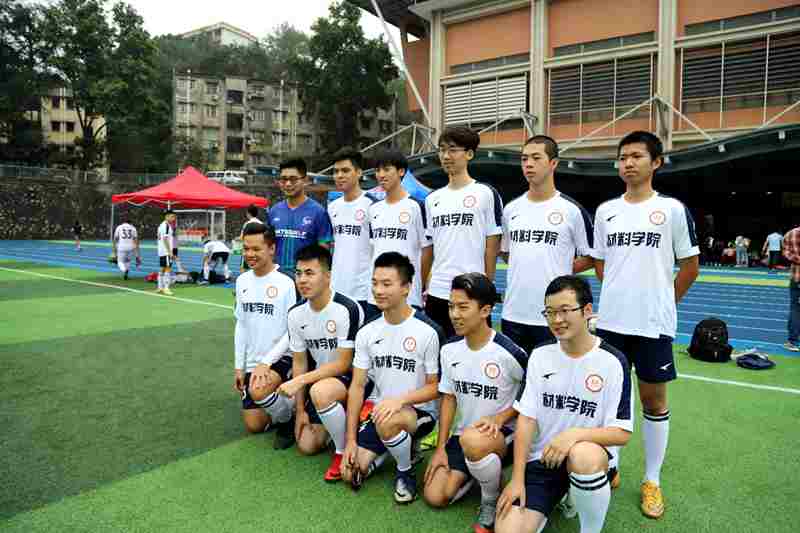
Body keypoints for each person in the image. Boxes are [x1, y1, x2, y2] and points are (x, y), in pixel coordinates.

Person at [591, 131, 699, 519]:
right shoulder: (606, 211)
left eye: (636, 156)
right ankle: (611, 465)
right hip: (612, 323)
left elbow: (690, 267)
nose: (628, 163)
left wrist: (662, 302)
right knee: (610, 400)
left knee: (653, 401)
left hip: (653, 325)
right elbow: (601, 264)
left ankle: (652, 480)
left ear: (656, 162)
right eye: (622, 157)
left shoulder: (671, 209)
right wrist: (621, 295)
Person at [496, 275, 633, 533]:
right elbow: (526, 418)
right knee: (508, 529)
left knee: (583, 456)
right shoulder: (539, 355)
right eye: (550, 312)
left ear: (587, 311)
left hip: (588, 457)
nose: (556, 320)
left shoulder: (613, 362)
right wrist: (517, 479)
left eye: (565, 310)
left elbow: (621, 433)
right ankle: (561, 495)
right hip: (544, 458)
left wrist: (573, 436)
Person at [423, 272, 527, 533]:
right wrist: (441, 447)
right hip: (465, 436)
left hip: (503, 436)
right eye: (451, 306)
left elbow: (531, 395)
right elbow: (448, 397)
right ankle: (478, 474)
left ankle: (489, 500)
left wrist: (500, 418)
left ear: (485, 310)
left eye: (463, 307)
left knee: (475, 440)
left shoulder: (510, 353)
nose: (454, 314)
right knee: (435, 496)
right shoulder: (449, 350)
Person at [342, 252, 444, 504]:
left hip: (419, 413)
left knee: (390, 422)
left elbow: (436, 388)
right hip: (381, 413)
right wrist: (350, 441)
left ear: (406, 288)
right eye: (375, 283)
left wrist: (399, 401)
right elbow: (357, 386)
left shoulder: (429, 331)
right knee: (350, 473)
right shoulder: (367, 332)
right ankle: (396, 448)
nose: (378, 290)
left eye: (387, 284)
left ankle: (405, 472)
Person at [276, 244, 364, 481]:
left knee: (320, 391)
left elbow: (343, 364)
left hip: (354, 380)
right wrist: (300, 411)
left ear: (327, 276)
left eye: (310, 273)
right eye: (298, 273)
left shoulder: (347, 308)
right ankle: (336, 420)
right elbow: (299, 362)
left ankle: (341, 449)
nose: (302, 280)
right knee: (307, 445)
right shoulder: (295, 314)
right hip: (321, 380)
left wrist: (300, 382)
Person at [500, 135, 594, 355]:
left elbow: (592, 256)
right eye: (524, 159)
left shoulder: (572, 211)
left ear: (553, 163)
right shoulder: (511, 210)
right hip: (513, 314)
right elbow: (505, 252)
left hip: (554, 316)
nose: (528, 164)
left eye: (536, 158)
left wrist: (561, 269)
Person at [424, 126, 503, 338]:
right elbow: (431, 248)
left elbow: (492, 246)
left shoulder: (485, 193)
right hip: (438, 292)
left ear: (469, 154)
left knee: (473, 351)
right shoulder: (432, 199)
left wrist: (486, 287)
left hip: (472, 293)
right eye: (441, 150)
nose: (445, 156)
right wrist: (428, 284)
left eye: (452, 150)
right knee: (436, 352)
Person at [234, 223, 297, 449]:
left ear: (271, 249)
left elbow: (293, 330)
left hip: (281, 358)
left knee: (259, 389)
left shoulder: (287, 282)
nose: (250, 254)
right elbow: (241, 324)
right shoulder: (242, 281)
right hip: (254, 362)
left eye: (256, 249)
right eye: (246, 248)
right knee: (255, 425)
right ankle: (283, 403)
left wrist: (266, 362)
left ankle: (289, 419)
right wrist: (239, 366)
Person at [366, 150, 431, 318]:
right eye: (377, 170)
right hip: (376, 297)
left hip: (407, 295)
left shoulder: (416, 206)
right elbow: (373, 250)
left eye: (386, 169)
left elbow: (427, 250)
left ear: (401, 171)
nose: (381, 175)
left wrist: (417, 283)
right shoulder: (373, 209)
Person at [327, 147, 378, 311]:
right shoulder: (332, 207)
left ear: (359, 173)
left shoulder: (373, 205)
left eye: (345, 170)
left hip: (363, 291)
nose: (339, 175)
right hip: (336, 288)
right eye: (336, 171)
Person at [269, 157, 333, 275]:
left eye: (293, 179)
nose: (288, 184)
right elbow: (268, 246)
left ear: (305, 180)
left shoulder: (318, 212)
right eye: (283, 179)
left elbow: (324, 250)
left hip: (305, 278)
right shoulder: (274, 211)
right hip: (277, 277)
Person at [782, 225, 800, 351]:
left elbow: (788, 254)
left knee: (796, 308)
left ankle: (793, 341)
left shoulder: (791, 233)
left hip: (797, 277)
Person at [156, 210, 176, 295]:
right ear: (166, 216)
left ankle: (160, 287)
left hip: (161, 251)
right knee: (168, 268)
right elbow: (165, 239)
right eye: (172, 216)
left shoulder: (161, 225)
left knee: (162, 268)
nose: (173, 218)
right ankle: (166, 288)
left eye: (174, 217)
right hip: (166, 251)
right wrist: (170, 252)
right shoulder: (166, 226)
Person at [240, 204, 263, 273]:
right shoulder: (261, 223)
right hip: (259, 249)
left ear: (248, 213)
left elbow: (242, 237)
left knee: (243, 268)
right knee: (258, 268)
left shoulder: (247, 224)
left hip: (249, 249)